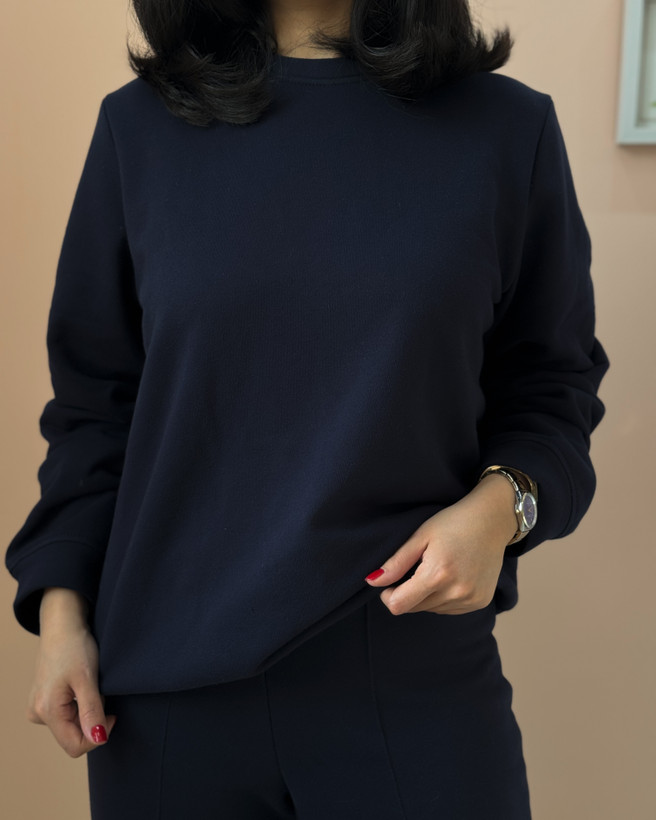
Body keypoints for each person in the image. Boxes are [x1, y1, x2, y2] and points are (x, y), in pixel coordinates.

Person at [4, 0, 610, 818]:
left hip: (411, 685)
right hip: (168, 706)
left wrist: (503, 509)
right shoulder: (138, 130)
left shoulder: (506, 130)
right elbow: (94, 410)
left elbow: (551, 388)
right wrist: (61, 616)